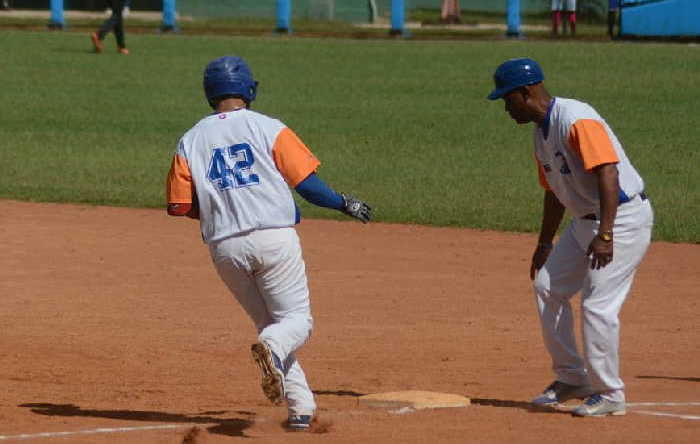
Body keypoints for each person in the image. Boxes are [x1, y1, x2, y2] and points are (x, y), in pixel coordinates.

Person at [166, 56, 372, 430]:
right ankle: (274, 352)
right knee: (295, 324)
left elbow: (179, 205)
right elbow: (308, 186)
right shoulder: (269, 128)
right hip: (274, 240)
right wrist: (346, 202)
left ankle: (300, 409)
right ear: (249, 88)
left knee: (269, 325)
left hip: (224, 248)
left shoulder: (190, 138)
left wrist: (218, 208)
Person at [487, 58, 653, 417]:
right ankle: (572, 378)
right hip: (584, 223)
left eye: (507, 99)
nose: (506, 108)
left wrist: (606, 234)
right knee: (548, 286)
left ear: (525, 92)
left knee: (597, 305)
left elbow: (608, 173)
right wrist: (545, 243)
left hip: (621, 219)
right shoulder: (540, 133)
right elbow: (553, 191)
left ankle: (610, 394)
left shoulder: (576, 119)